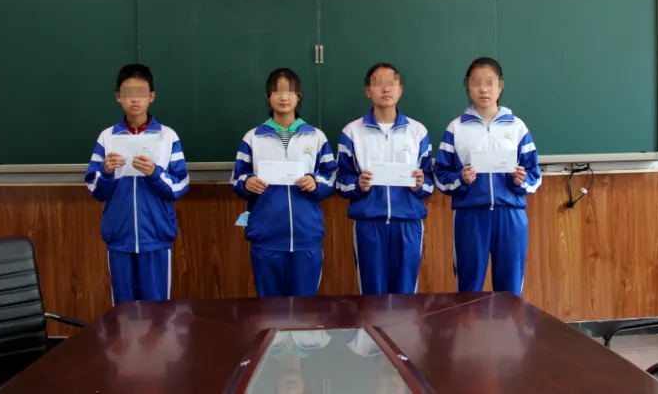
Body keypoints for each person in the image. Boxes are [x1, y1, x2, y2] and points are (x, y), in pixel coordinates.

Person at [434, 57, 541, 295]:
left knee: (510, 289)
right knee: (468, 288)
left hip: (510, 214)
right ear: (467, 87)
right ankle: (467, 322)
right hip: (470, 215)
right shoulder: (456, 128)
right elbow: (440, 175)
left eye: (490, 83)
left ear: (500, 86)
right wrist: (461, 179)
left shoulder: (517, 127)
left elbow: (535, 175)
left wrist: (521, 181)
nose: (483, 89)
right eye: (476, 83)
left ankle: (509, 322)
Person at [84, 63, 189, 302]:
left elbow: (180, 185)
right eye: (128, 93)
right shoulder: (107, 137)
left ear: (151, 96)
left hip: (156, 236)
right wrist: (107, 172)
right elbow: (94, 188)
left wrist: (154, 173)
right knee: (123, 312)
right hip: (119, 237)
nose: (134, 100)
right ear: (118, 97)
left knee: (157, 312)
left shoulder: (167, 136)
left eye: (141, 93)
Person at [231, 68, 337, 297]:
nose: (283, 97)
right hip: (266, 237)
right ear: (268, 96)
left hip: (306, 236)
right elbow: (237, 178)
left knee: (305, 308)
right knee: (269, 308)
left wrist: (315, 182)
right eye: (277, 91)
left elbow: (331, 177)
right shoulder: (253, 137)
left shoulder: (316, 137)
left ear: (298, 96)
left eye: (289, 91)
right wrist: (247, 183)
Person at [336, 62, 433, 294]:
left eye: (391, 83)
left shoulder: (418, 132)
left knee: (405, 296)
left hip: (408, 223)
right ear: (368, 91)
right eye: (378, 84)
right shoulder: (352, 132)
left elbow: (431, 181)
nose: (386, 89)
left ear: (400, 90)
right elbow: (340, 181)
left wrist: (420, 185)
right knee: (372, 296)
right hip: (369, 225)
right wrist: (358, 185)